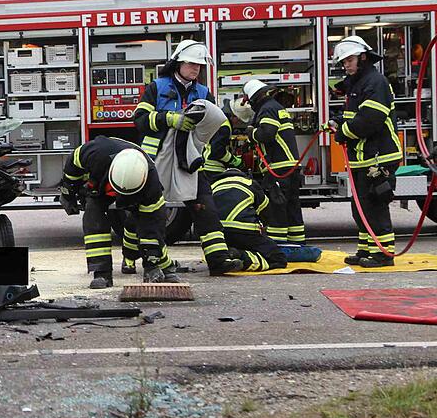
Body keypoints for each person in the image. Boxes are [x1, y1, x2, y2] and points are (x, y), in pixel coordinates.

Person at [133, 39, 242, 274]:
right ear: (178, 63)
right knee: (152, 211)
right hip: (158, 159)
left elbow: (215, 123)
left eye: (199, 65)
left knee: (205, 206)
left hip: (188, 159)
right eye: (192, 64)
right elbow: (140, 120)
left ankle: (218, 260)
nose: (196, 69)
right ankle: (147, 260)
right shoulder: (157, 87)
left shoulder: (202, 93)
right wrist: (168, 119)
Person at [60, 137, 179, 289]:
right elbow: (72, 166)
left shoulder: (151, 184)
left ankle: (153, 263)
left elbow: (151, 228)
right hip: (101, 184)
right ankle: (102, 274)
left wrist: (151, 265)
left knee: (143, 224)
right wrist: (68, 192)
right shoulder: (96, 153)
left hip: (135, 192)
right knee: (93, 218)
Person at [328, 35, 403, 267]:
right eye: (343, 62)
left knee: (374, 206)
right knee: (360, 208)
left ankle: (383, 254)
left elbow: (370, 119)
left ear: (363, 57)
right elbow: (355, 115)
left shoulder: (375, 82)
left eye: (349, 60)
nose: (346, 65)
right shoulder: (357, 84)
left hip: (379, 157)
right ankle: (366, 250)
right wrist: (338, 121)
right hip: (363, 158)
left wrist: (342, 132)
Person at [241, 78, 306, 244]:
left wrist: (251, 133)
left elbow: (267, 134)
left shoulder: (267, 109)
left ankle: (278, 245)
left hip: (278, 168)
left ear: (253, 98)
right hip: (289, 167)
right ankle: (297, 244)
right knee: (292, 208)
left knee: (277, 208)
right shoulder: (275, 107)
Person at [210, 170, 288, 272]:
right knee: (279, 259)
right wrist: (262, 226)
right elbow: (265, 209)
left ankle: (229, 255)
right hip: (245, 231)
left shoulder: (213, 186)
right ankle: (241, 256)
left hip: (219, 234)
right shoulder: (249, 183)